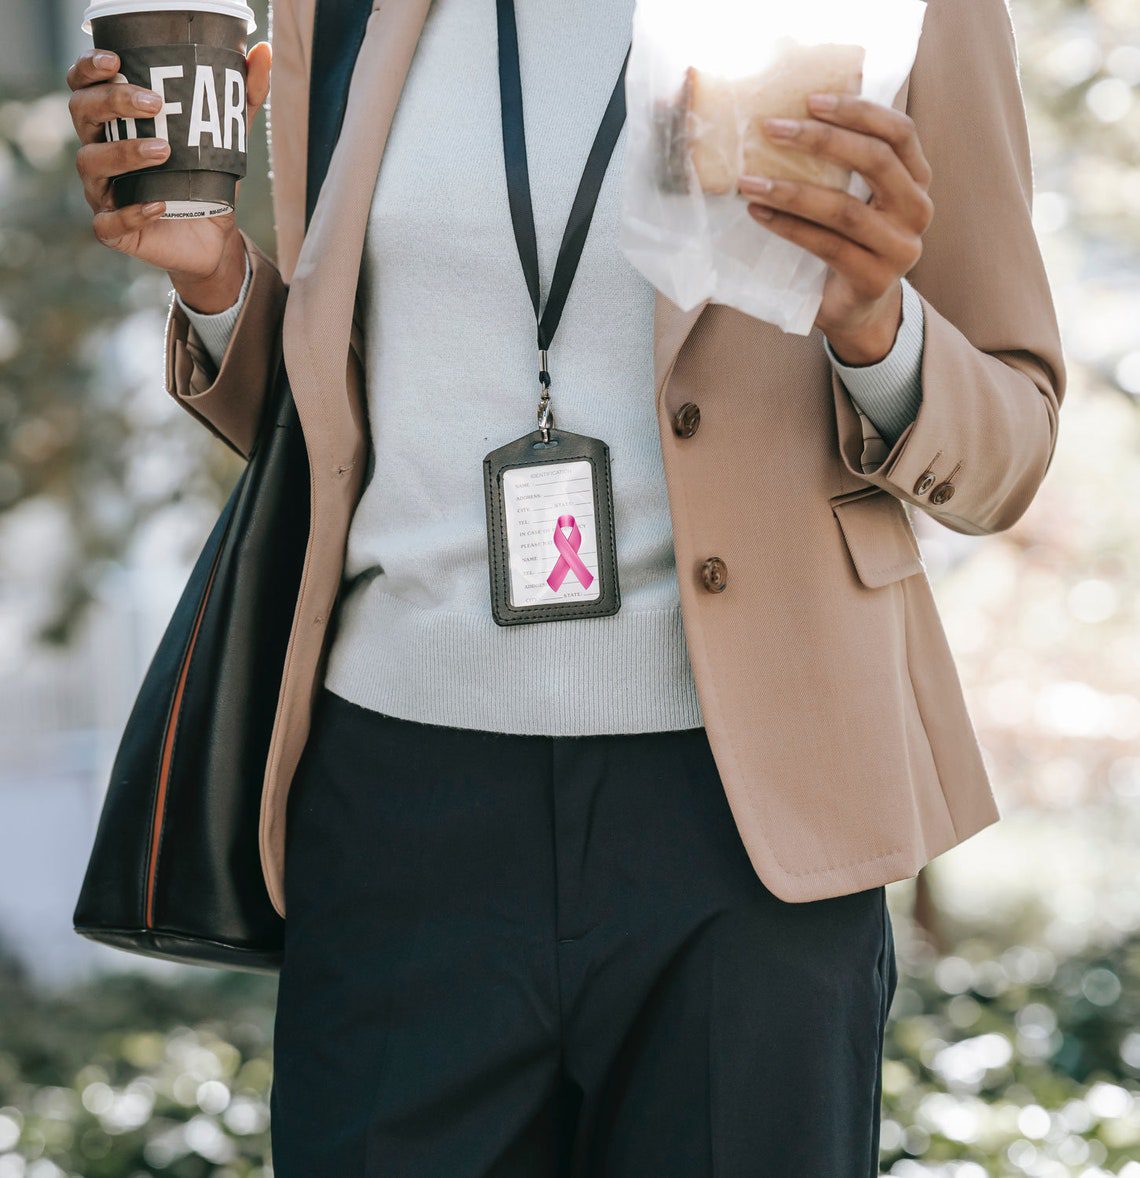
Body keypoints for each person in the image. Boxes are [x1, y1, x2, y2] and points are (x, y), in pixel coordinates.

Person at [66, 0, 1065, 1173]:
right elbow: (342, 437)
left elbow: (1012, 441)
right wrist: (219, 281)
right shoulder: (342, 11)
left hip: (748, 826)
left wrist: (875, 325)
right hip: (392, 808)